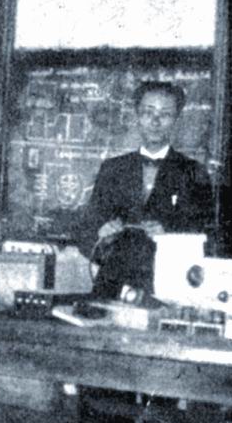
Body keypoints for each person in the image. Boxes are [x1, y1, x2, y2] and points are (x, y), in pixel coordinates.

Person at [75, 81, 214, 300]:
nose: (155, 122)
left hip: (167, 290)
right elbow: (86, 233)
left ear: (177, 120)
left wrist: (169, 237)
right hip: (111, 290)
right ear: (137, 116)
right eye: (148, 113)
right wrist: (101, 235)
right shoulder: (112, 169)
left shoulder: (193, 172)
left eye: (165, 114)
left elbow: (207, 239)